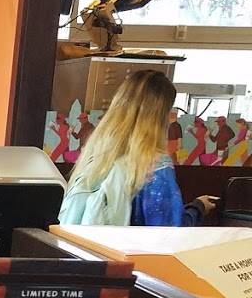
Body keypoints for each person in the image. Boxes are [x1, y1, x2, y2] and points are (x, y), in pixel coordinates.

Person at [59, 70, 217, 227]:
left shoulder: (96, 157)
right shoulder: (155, 165)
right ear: (161, 116)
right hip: (126, 244)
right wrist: (198, 208)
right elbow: (168, 231)